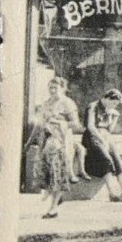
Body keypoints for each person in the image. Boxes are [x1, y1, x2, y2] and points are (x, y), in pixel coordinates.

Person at [33, 77, 83, 219]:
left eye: (56, 88)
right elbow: (39, 122)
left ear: (63, 88)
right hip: (46, 140)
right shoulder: (47, 103)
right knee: (46, 173)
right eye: (50, 88)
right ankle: (55, 199)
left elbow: (76, 123)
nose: (52, 91)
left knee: (57, 174)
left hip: (60, 142)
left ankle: (53, 209)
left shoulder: (67, 103)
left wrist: (59, 122)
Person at [84, 88, 122, 202]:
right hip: (93, 136)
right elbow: (90, 127)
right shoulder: (93, 107)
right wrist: (102, 140)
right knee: (106, 159)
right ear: (107, 98)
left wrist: (114, 117)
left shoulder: (109, 109)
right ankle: (112, 192)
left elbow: (109, 130)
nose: (115, 106)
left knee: (117, 159)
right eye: (114, 103)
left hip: (106, 136)